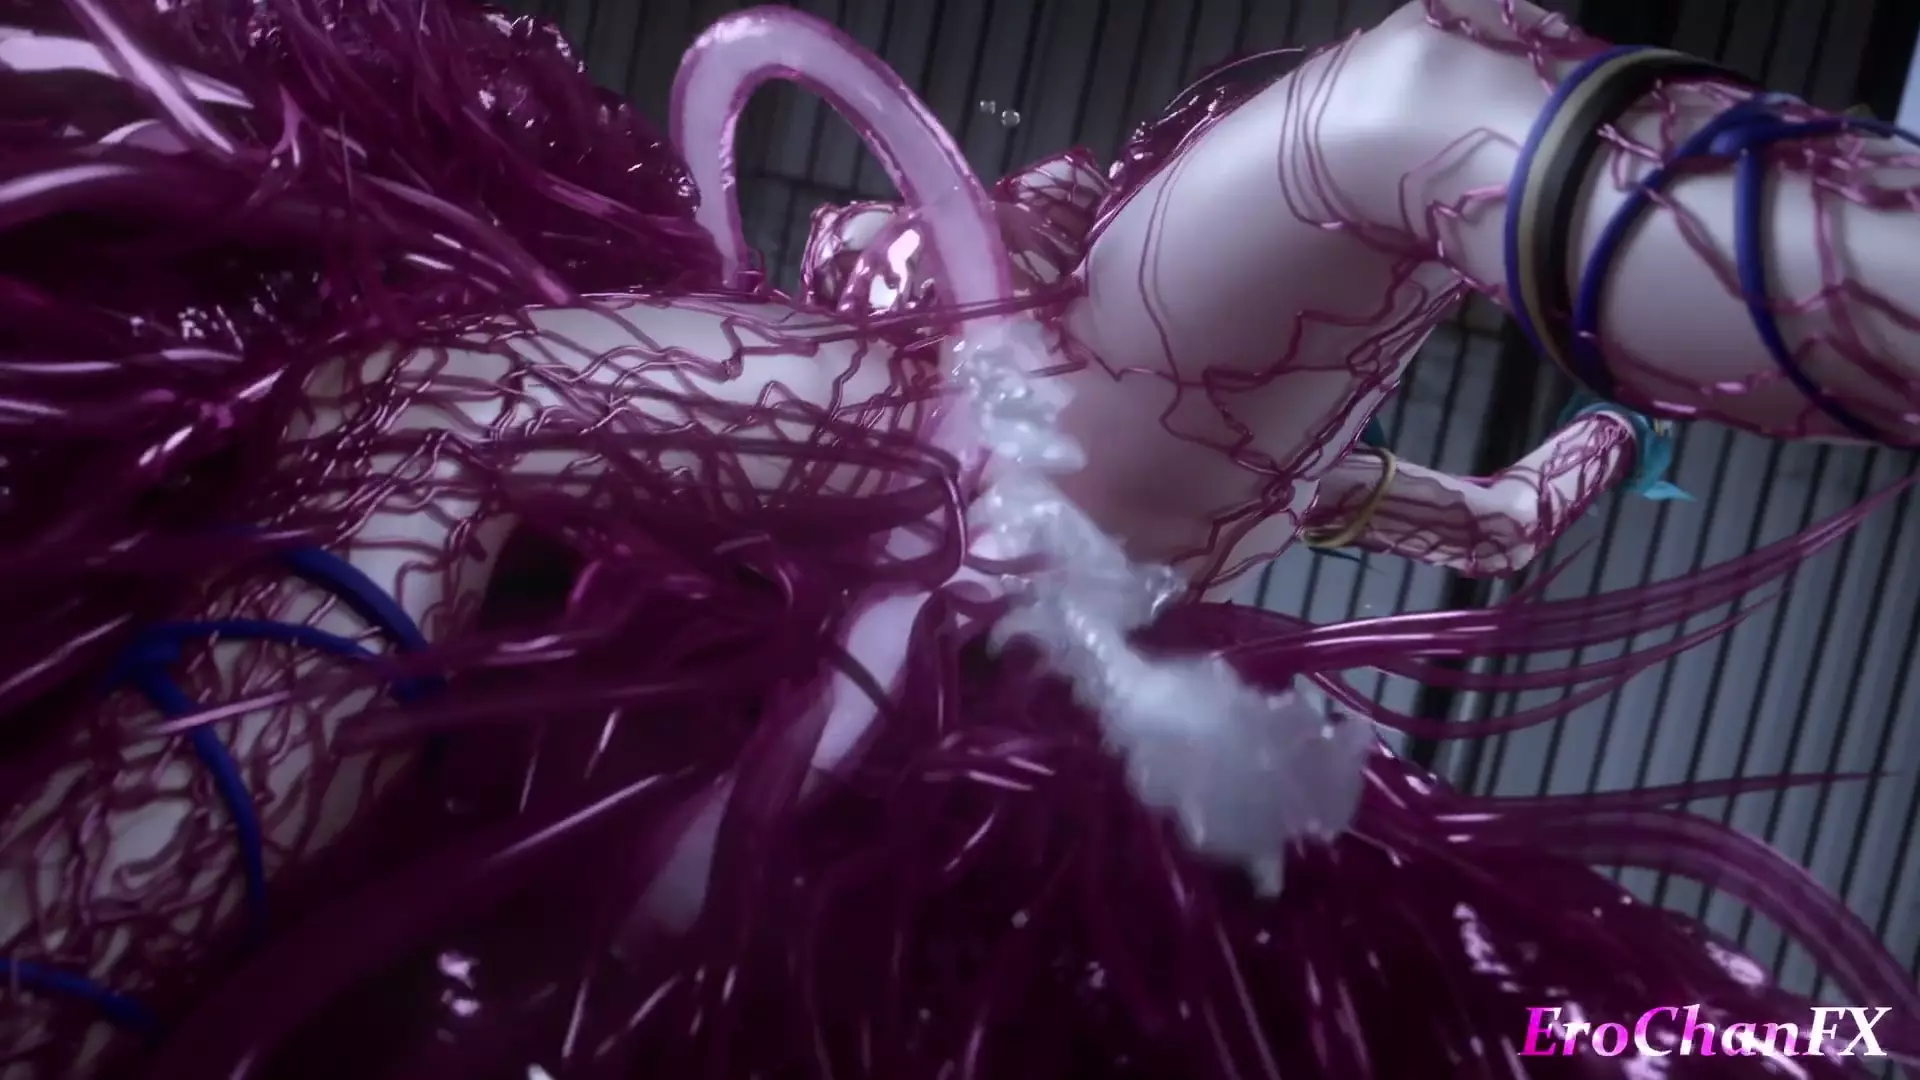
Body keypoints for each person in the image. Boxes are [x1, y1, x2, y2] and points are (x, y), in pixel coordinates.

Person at [0, 2, 1912, 1078]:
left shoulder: (1140, 366)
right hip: (980, 549)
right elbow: (1487, 525)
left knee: (433, 406)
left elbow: (1479, 512)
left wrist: (1590, 444)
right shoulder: (1269, 456)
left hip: (1006, 460)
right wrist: (1599, 440)